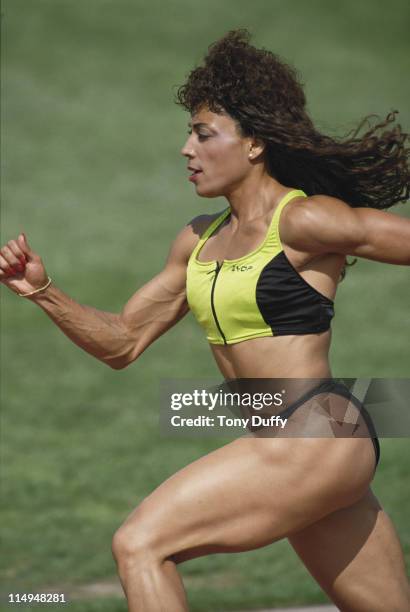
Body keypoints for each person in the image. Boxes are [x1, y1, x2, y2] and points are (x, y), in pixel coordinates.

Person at [1, 29, 409, 612]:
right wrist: (43, 291)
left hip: (311, 435)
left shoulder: (305, 222)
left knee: (140, 544)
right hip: (299, 441)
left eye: (203, 134)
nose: (186, 150)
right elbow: (123, 341)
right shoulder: (197, 240)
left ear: (254, 145)